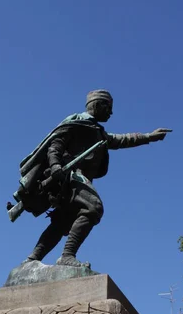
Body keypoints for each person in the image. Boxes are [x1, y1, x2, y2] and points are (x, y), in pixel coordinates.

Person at [19, 89, 171, 267]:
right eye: (108, 107)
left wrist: (149, 137)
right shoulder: (78, 122)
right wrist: (54, 166)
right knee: (93, 207)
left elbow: (121, 140)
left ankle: (32, 259)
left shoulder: (97, 131)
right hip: (69, 177)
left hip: (72, 179)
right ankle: (67, 256)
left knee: (62, 221)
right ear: (98, 105)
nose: (111, 112)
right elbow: (55, 145)